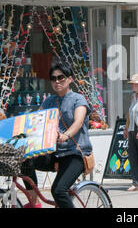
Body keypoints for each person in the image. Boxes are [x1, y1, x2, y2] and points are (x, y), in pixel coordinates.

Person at [22, 60, 92, 208]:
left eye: (61, 77)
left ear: (70, 79)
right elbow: (36, 121)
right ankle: (35, 203)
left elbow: (78, 122)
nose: (57, 81)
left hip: (75, 154)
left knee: (58, 190)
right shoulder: (49, 101)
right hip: (55, 153)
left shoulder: (78, 99)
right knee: (25, 160)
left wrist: (65, 136)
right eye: (53, 78)